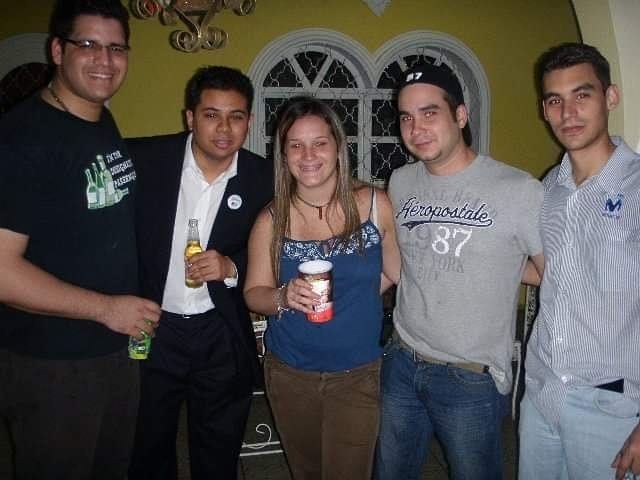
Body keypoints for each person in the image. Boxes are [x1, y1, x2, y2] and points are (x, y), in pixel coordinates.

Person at [0, 1, 162, 479]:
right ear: (57, 50)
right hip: (52, 361)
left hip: (112, 347)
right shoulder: (22, 138)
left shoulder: (99, 121)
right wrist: (106, 309)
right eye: (88, 44)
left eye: (117, 48)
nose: (105, 60)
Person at [375, 62, 545, 480]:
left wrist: (502, 265)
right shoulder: (401, 181)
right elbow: (403, 261)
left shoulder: (518, 189)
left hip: (469, 377)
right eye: (406, 117)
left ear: (461, 115)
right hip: (402, 360)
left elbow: (551, 273)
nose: (416, 128)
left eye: (429, 113)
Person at [127, 65, 273, 480]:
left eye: (236, 116)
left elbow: (281, 246)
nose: (224, 128)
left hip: (220, 330)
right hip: (153, 327)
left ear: (249, 120)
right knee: (147, 445)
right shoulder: (144, 159)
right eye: (211, 115)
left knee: (218, 449)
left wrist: (233, 266)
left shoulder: (264, 178)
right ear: (190, 117)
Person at [244, 96, 401, 479]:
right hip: (290, 372)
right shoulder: (270, 219)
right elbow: (254, 293)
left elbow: (398, 273)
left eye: (319, 143)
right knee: (307, 472)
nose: (308, 155)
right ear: (283, 155)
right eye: (296, 145)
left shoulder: (375, 205)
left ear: (338, 147)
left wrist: (359, 297)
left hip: (358, 372)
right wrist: (283, 296)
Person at [519, 42, 640, 480]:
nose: (568, 113)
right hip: (542, 395)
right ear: (544, 110)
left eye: (582, 95)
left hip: (613, 406)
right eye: (555, 100)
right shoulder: (548, 188)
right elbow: (548, 272)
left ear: (611, 97)